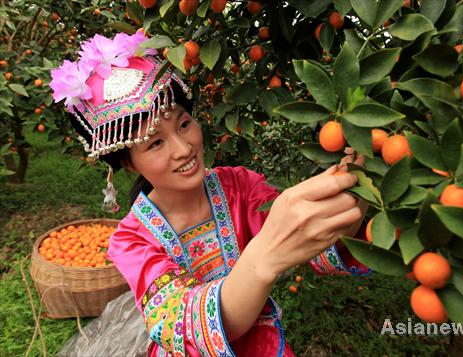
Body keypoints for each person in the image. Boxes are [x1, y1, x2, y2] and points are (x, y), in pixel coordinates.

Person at [50, 32, 371, 357]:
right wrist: (265, 256)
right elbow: (182, 325)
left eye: (184, 124)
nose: (183, 147)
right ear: (129, 164)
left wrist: (345, 205)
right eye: (155, 142)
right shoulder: (132, 241)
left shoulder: (240, 187)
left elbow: (307, 240)